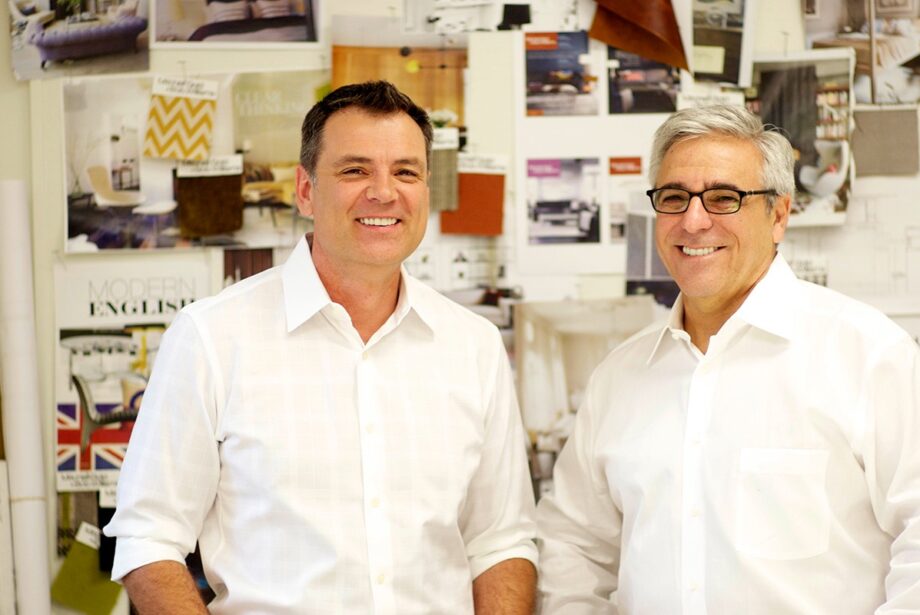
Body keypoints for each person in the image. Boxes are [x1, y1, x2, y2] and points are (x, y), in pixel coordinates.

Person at [104, 80, 538, 614]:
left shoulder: (474, 346)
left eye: (406, 172)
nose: (384, 192)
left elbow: (500, 543)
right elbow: (148, 537)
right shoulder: (211, 337)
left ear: (426, 189)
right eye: (355, 170)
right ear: (305, 191)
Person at [536, 104, 920, 613]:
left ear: (778, 215)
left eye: (723, 198)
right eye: (674, 198)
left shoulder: (868, 356)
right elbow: (572, 549)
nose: (693, 221)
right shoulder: (619, 378)